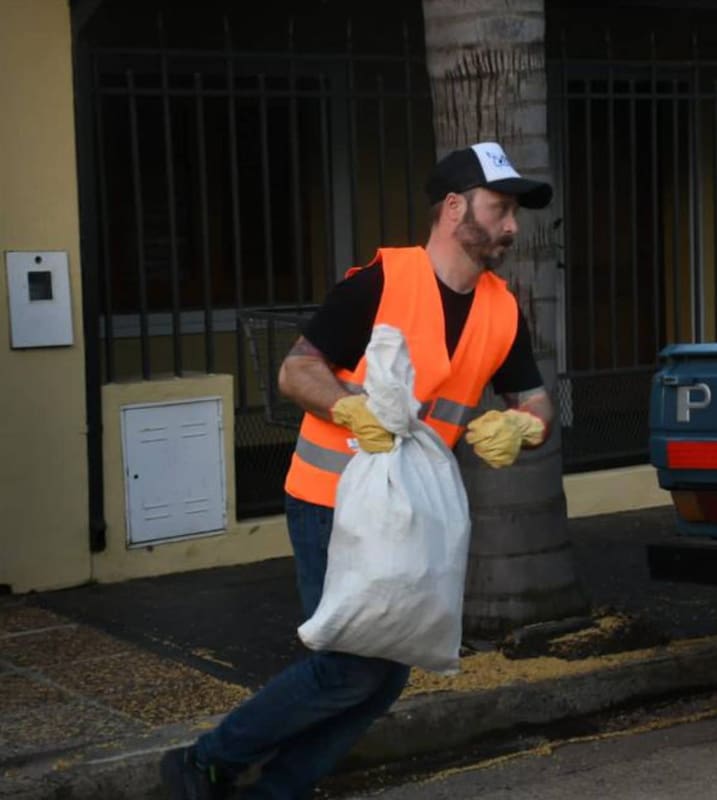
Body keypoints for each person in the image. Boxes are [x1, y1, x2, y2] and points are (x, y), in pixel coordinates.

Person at [160, 141, 555, 800]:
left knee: (385, 673)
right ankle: (204, 763)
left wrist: (525, 425)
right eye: (501, 208)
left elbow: (537, 399)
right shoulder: (380, 281)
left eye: (515, 211)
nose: (513, 226)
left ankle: (269, 788)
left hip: (410, 513)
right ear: (455, 207)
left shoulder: (500, 309)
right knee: (349, 666)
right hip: (331, 500)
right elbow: (296, 369)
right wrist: (351, 409)